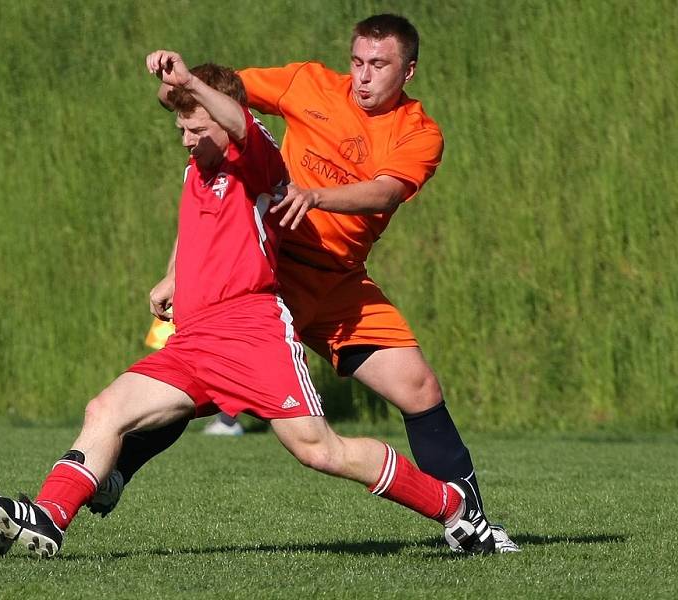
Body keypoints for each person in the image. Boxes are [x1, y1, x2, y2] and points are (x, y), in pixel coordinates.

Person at [0, 51, 495, 558]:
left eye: (197, 129)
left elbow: (242, 123)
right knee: (104, 410)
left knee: (319, 450)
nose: (186, 139)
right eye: (181, 130)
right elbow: (185, 158)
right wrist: (173, 273)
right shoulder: (199, 163)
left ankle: (453, 506)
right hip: (196, 338)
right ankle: (48, 519)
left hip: (252, 332)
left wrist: (196, 87)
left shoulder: (259, 158)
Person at [96, 14, 519, 553]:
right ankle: (114, 475)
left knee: (419, 389)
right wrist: (172, 75)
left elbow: (385, 193)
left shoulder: (419, 133)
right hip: (275, 272)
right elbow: (209, 105)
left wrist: (316, 196)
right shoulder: (309, 83)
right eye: (358, 62)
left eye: (380, 65)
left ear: (408, 71)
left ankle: (470, 521)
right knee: (203, 375)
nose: (364, 76)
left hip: (341, 284)